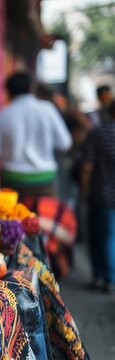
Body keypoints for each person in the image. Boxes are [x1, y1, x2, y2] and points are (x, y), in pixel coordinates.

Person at [0, 72, 71, 197]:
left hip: (12, 180)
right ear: (32, 88)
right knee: (45, 216)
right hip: (44, 179)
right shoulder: (47, 109)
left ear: (8, 91)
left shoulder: (3, 114)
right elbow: (65, 143)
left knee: (13, 216)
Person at [80, 100, 115, 294]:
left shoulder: (97, 134)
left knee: (101, 236)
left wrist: (85, 191)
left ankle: (104, 277)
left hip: (102, 194)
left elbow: (87, 167)